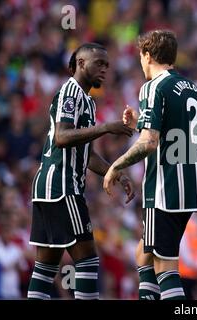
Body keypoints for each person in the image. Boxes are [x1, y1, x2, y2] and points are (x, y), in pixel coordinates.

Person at [27, 43, 135, 300]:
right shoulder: (70, 92)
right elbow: (63, 138)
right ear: (81, 63)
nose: (104, 69)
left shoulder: (86, 100)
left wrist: (115, 172)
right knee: (87, 260)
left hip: (49, 188)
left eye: (107, 65)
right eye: (99, 63)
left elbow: (86, 155)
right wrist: (107, 127)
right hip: (62, 186)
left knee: (45, 268)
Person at [103, 30, 197, 300]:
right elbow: (170, 136)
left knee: (164, 265)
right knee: (144, 254)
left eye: (140, 56)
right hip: (190, 189)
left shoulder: (153, 87)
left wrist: (116, 165)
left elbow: (149, 144)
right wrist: (141, 124)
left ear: (147, 55)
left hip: (164, 189)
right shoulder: (192, 88)